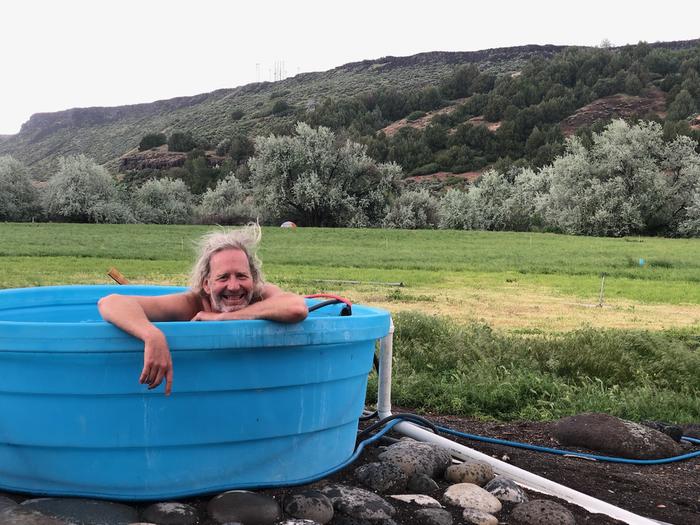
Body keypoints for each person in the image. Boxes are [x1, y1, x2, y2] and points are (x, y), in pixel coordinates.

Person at [98, 224, 308, 396]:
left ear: (253, 279)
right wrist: (151, 334)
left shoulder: (260, 295)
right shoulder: (192, 304)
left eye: (242, 276)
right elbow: (111, 302)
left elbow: (296, 306)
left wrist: (225, 318)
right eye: (223, 277)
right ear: (206, 284)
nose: (234, 286)